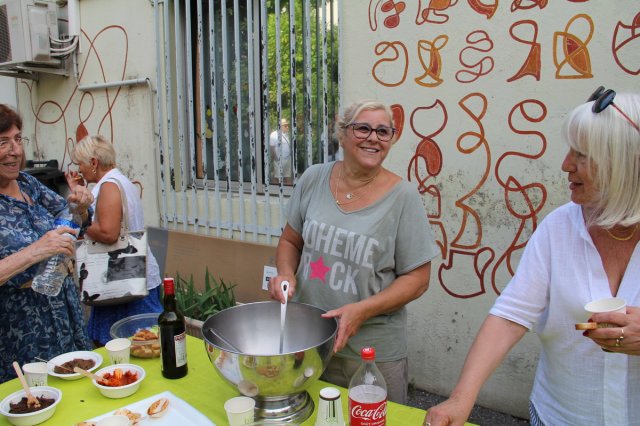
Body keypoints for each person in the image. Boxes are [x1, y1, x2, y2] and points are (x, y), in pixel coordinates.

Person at [424, 88, 640, 426]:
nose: (565, 165)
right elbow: (511, 316)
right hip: (558, 418)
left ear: (625, 161)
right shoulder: (559, 227)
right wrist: (460, 400)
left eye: (582, 154)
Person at [268, 99, 439, 404]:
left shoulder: (404, 197)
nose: (373, 138)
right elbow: (290, 241)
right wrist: (284, 273)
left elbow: (418, 279)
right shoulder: (313, 178)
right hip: (309, 341)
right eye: (363, 128)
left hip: (372, 352)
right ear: (343, 133)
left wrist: (363, 310)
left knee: (374, 420)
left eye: (383, 132)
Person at [0, 104, 94, 383]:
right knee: (36, 398)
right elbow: (42, 246)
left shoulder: (27, 183)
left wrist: (80, 205)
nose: (15, 150)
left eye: (18, 139)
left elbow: (70, 218)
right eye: (3, 142)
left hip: (63, 311)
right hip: (20, 330)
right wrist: (35, 251)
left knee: (79, 389)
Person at [69, 135, 163, 346]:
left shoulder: (109, 186)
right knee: (140, 346)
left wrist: (81, 220)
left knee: (127, 347)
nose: (79, 169)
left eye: (80, 163)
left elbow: (109, 234)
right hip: (130, 275)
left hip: (121, 280)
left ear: (93, 162)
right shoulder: (119, 181)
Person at [269, 118, 293, 185]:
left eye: (287, 125)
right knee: (277, 177)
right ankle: (273, 189)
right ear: (281, 126)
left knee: (287, 176)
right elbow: (272, 148)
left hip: (287, 159)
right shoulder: (274, 134)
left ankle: (288, 190)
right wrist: (276, 158)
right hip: (279, 159)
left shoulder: (286, 134)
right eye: (285, 126)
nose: (287, 127)